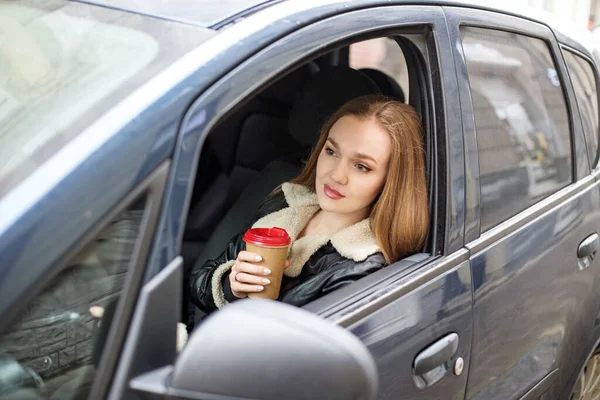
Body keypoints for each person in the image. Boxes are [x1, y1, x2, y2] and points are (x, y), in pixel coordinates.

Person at [190, 94, 428, 314]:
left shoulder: (362, 268)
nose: (336, 175)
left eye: (362, 166)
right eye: (332, 151)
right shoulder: (286, 206)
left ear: (390, 182)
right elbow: (200, 280)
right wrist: (231, 284)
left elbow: (291, 350)